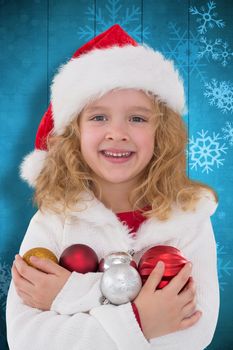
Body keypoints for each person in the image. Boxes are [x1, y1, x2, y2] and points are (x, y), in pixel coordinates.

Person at [6, 24, 219, 350]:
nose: (117, 132)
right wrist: (144, 320)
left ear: (160, 134)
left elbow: (192, 333)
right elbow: (27, 338)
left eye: (137, 118)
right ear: (74, 133)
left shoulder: (188, 219)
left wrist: (69, 294)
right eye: (98, 117)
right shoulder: (54, 219)